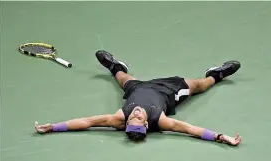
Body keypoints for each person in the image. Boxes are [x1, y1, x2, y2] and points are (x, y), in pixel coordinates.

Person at [35, 50, 242, 146]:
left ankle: (115, 65)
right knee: (200, 85)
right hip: (168, 89)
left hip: (138, 88)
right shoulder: (161, 120)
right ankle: (217, 74)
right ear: (146, 123)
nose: (136, 113)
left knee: (123, 78)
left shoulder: (119, 118)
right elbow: (190, 130)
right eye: (139, 118)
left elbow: (86, 122)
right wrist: (220, 137)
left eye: (133, 118)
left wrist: (53, 127)